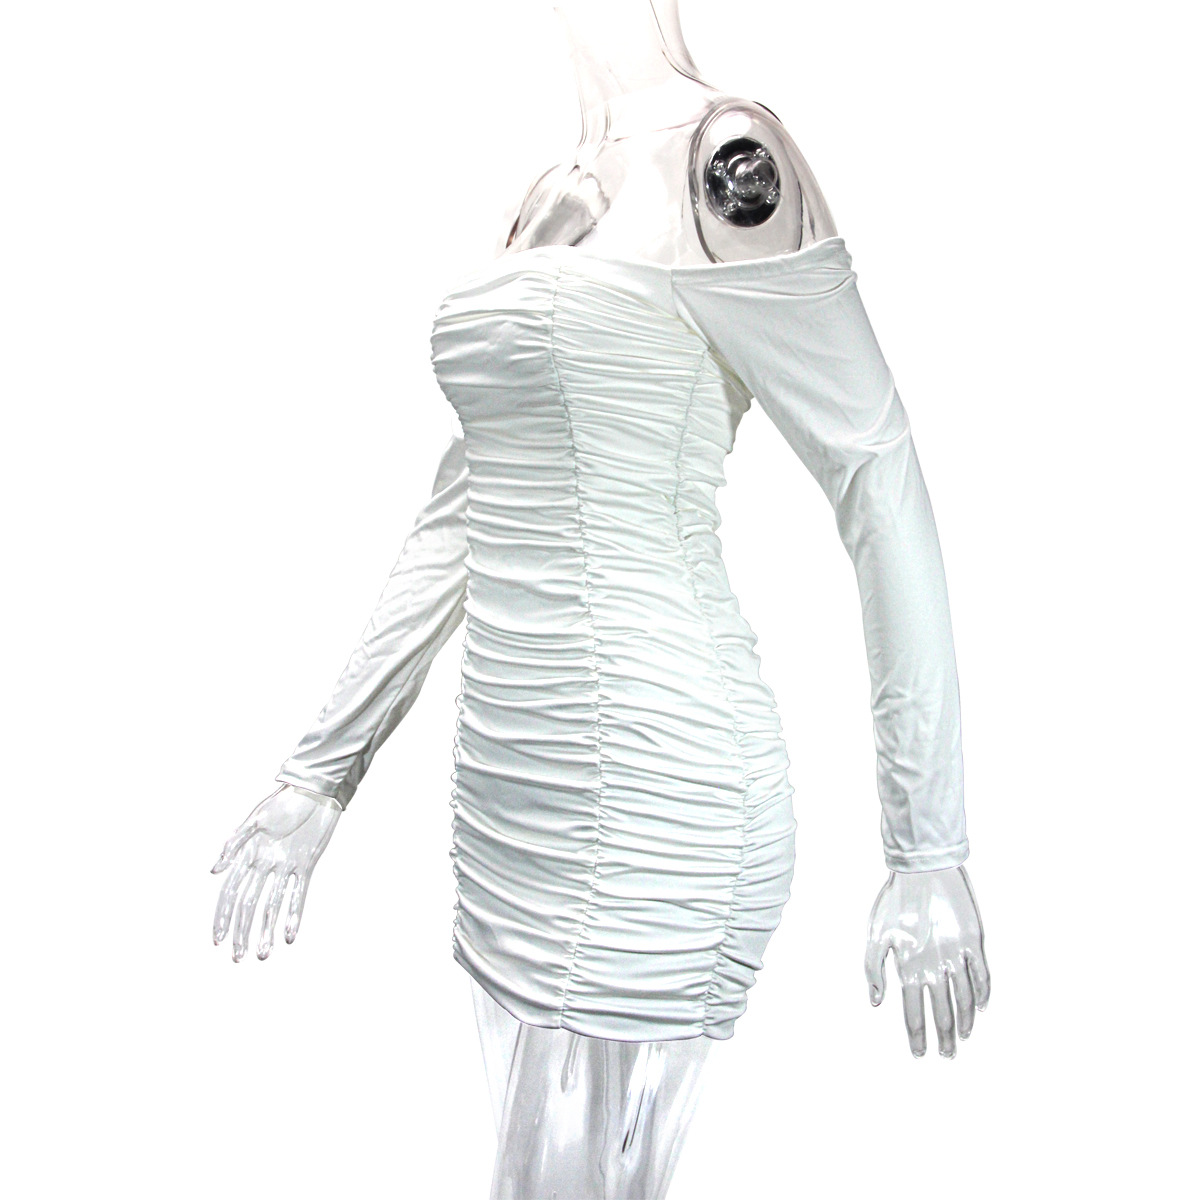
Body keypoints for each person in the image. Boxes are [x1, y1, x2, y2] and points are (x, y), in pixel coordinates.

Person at [211, 4, 991, 1197]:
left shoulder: (728, 158)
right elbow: (461, 514)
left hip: (655, 789)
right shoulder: (554, 194)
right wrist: (321, 773)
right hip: (506, 801)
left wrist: (926, 844)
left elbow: (875, 474)